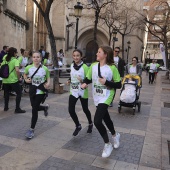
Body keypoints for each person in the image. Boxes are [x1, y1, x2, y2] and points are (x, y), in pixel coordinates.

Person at [81, 46, 121, 158]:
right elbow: (89, 78)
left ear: (105, 55)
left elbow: (118, 84)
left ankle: (107, 144)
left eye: (99, 52)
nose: (96, 54)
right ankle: (115, 135)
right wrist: (84, 83)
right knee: (106, 118)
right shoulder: (93, 66)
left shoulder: (112, 68)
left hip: (107, 96)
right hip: (97, 96)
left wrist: (107, 82)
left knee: (97, 121)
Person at [24, 51, 50, 139]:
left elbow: (48, 77)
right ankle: (44, 108)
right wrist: (26, 79)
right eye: (34, 57)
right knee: (34, 106)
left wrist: (48, 83)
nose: (36, 58)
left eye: (38, 57)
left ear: (41, 58)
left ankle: (31, 129)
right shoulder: (28, 67)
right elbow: (25, 75)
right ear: (32, 58)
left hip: (41, 91)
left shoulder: (45, 68)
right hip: (32, 90)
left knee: (34, 109)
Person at [67, 49, 93, 136]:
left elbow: (89, 79)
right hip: (73, 91)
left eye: (77, 55)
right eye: (74, 56)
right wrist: (69, 80)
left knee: (85, 109)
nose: (76, 57)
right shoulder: (71, 65)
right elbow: (72, 76)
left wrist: (83, 81)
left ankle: (90, 123)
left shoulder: (85, 67)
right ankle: (78, 125)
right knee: (71, 110)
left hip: (82, 91)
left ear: (81, 56)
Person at [1, 47, 26, 113]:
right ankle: (17, 108)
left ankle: (6, 107)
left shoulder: (5, 57)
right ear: (14, 53)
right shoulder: (15, 60)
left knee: (6, 93)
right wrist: (19, 78)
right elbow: (17, 70)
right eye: (16, 52)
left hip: (5, 79)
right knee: (19, 93)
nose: (16, 54)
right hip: (13, 80)